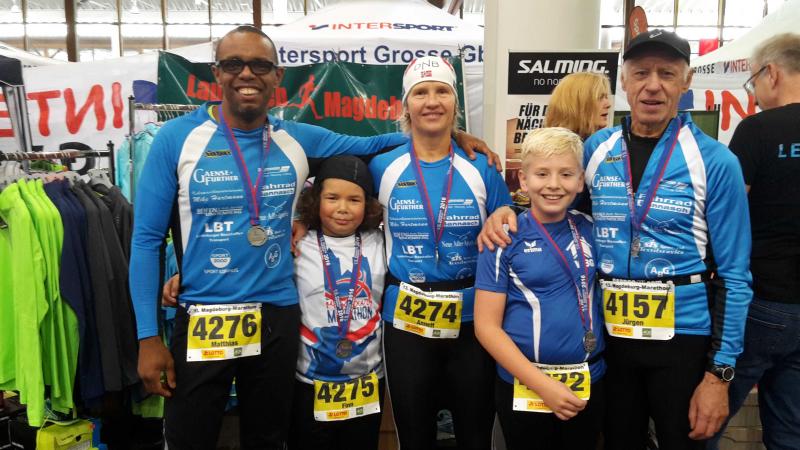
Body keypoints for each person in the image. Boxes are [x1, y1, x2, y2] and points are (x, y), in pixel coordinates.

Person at [130, 26, 492, 449]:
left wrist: (450, 137)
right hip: (203, 315)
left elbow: (374, 142)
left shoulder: (296, 138)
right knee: (190, 440)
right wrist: (147, 337)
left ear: (277, 76)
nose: (246, 74)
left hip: (278, 318)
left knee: (268, 441)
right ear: (217, 72)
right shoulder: (176, 139)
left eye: (259, 65)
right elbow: (146, 240)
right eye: (234, 64)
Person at [477, 29, 752, 450]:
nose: (653, 85)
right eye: (641, 73)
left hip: (681, 339)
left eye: (666, 73)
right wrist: (506, 211)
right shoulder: (596, 149)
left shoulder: (716, 161)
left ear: (687, 80)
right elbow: (553, 203)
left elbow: (735, 275)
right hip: (611, 343)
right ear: (624, 80)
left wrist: (720, 374)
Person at [368, 56, 513, 450]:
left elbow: (506, 227)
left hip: (473, 322)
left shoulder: (481, 167)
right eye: (420, 93)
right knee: (414, 437)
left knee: (475, 436)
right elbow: (338, 202)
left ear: (455, 103)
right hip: (407, 322)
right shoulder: (381, 166)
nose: (431, 101)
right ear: (406, 105)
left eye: (441, 92)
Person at [474, 127, 605, 449]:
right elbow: (486, 327)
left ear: (580, 181)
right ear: (523, 179)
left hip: (589, 379)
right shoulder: (502, 237)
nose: (554, 184)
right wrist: (543, 386)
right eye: (542, 173)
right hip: (524, 386)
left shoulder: (592, 229)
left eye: (566, 174)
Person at [708, 33, 800, 450]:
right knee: (790, 431)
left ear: (772, 73)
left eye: (753, 81)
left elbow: (727, 213)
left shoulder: (758, 130)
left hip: (759, 302)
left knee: (706, 420)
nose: (755, 93)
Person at [288, 155, 387, 450]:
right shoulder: (296, 243)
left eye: (354, 200)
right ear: (316, 199)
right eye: (332, 198)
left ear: (368, 205)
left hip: (367, 382)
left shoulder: (381, 242)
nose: (343, 208)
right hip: (310, 382)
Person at [544, 71, 612, 139]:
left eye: (606, 97)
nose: (608, 104)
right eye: (600, 97)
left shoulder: (606, 142)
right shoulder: (549, 144)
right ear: (576, 104)